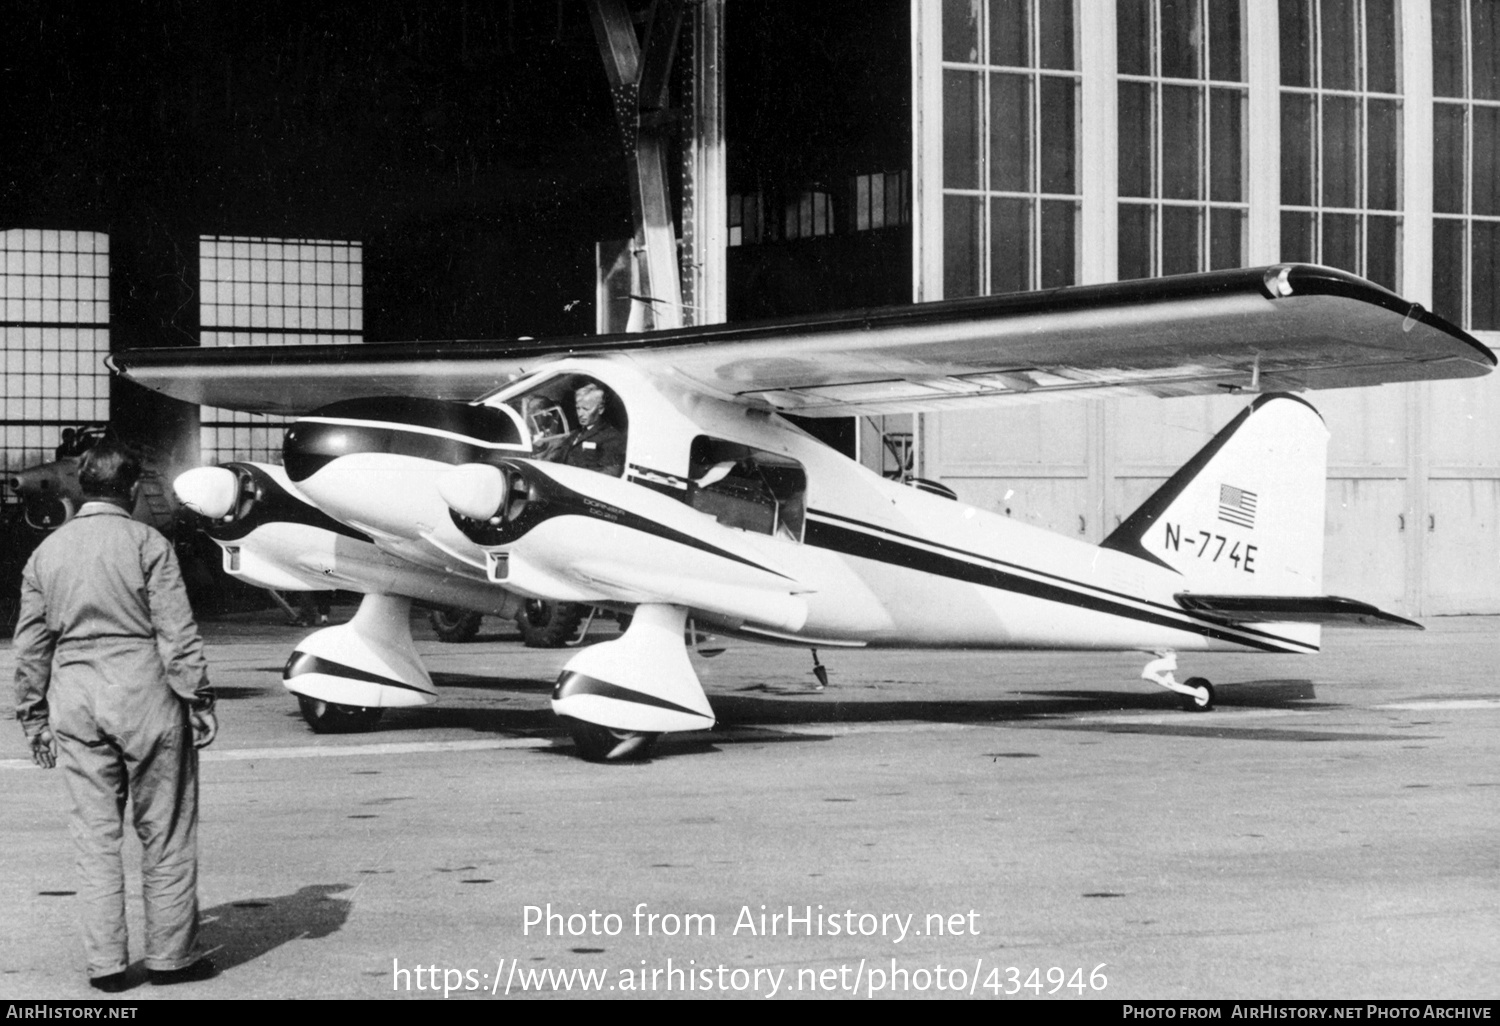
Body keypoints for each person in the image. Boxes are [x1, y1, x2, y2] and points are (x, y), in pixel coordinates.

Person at [12, 441, 219, 992]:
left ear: (81, 489)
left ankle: (105, 967)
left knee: (95, 837)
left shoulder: (47, 554)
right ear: (130, 490)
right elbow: (176, 632)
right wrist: (197, 699)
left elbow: (31, 646)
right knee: (167, 831)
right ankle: (171, 958)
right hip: (146, 695)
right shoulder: (148, 542)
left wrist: (33, 719)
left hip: (76, 701)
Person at [553, 382, 626, 477]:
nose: (580, 414)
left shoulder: (612, 437)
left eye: (586, 409)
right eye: (578, 408)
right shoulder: (575, 434)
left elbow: (610, 474)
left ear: (600, 409)